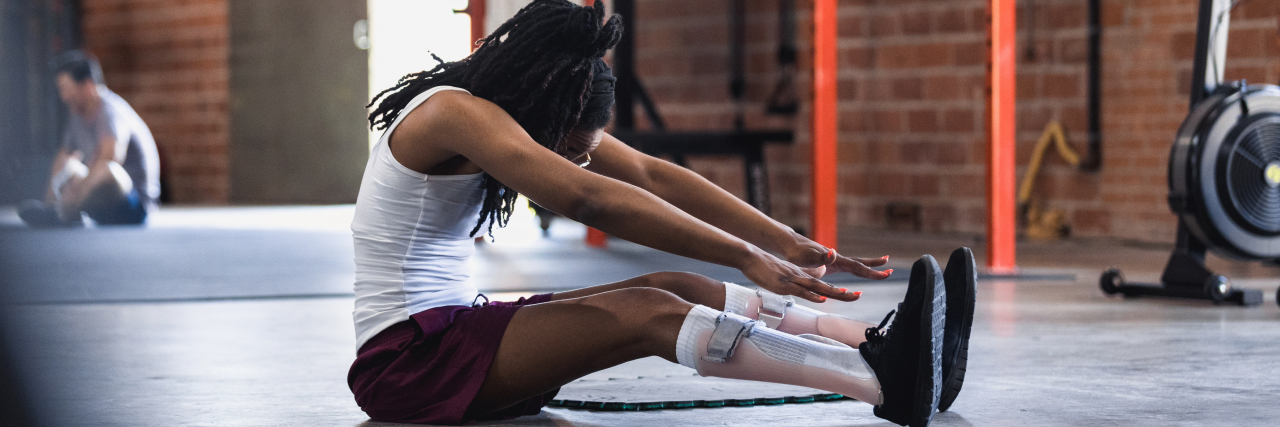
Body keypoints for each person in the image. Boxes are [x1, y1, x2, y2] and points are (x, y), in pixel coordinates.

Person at [346, 2, 975, 426]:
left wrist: (786, 240)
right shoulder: (454, 114)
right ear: (547, 109)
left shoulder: (519, 109)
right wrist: (744, 254)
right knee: (648, 314)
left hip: (459, 329)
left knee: (674, 287)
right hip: (407, 363)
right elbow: (585, 198)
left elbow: (650, 173)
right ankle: (880, 382)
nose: (575, 163)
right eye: (570, 151)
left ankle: (881, 343)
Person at [18, 51, 160, 227]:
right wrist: (53, 197)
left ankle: (64, 212)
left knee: (106, 168)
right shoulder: (78, 116)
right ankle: (52, 210)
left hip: (134, 206)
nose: (63, 96)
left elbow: (111, 160)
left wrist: (74, 192)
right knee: (67, 163)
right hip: (102, 205)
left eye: (66, 88)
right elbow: (64, 157)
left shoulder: (111, 111)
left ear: (87, 85)